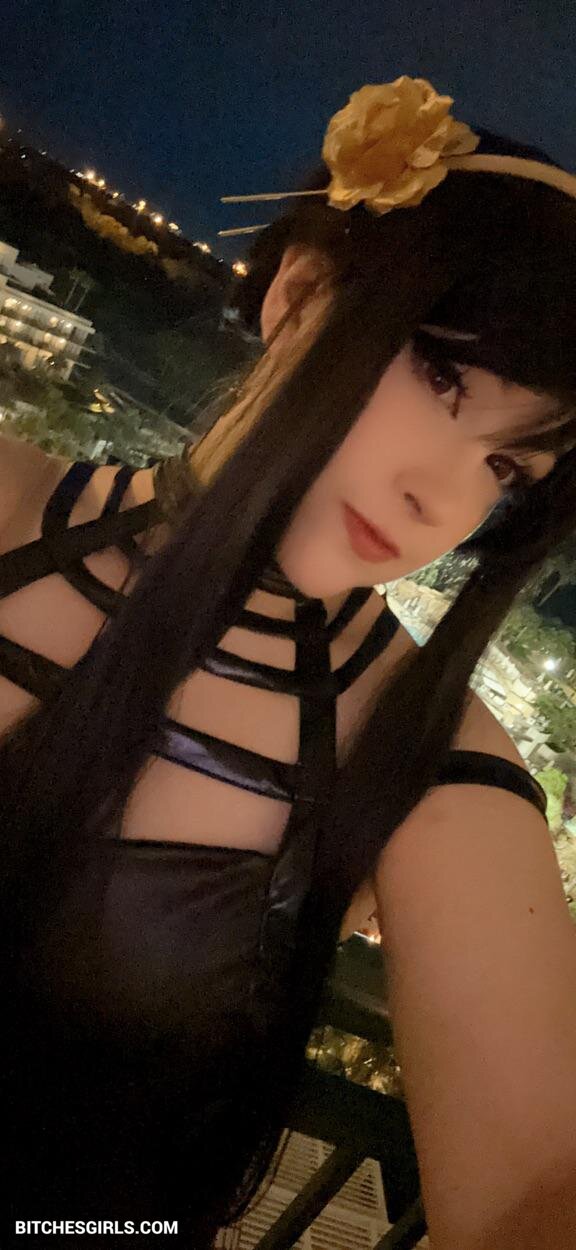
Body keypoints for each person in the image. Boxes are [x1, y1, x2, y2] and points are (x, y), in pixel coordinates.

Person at [1, 74, 576, 1250]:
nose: (441, 501)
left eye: (506, 470)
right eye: (442, 378)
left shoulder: (424, 760)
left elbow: (538, 1180)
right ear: (301, 295)